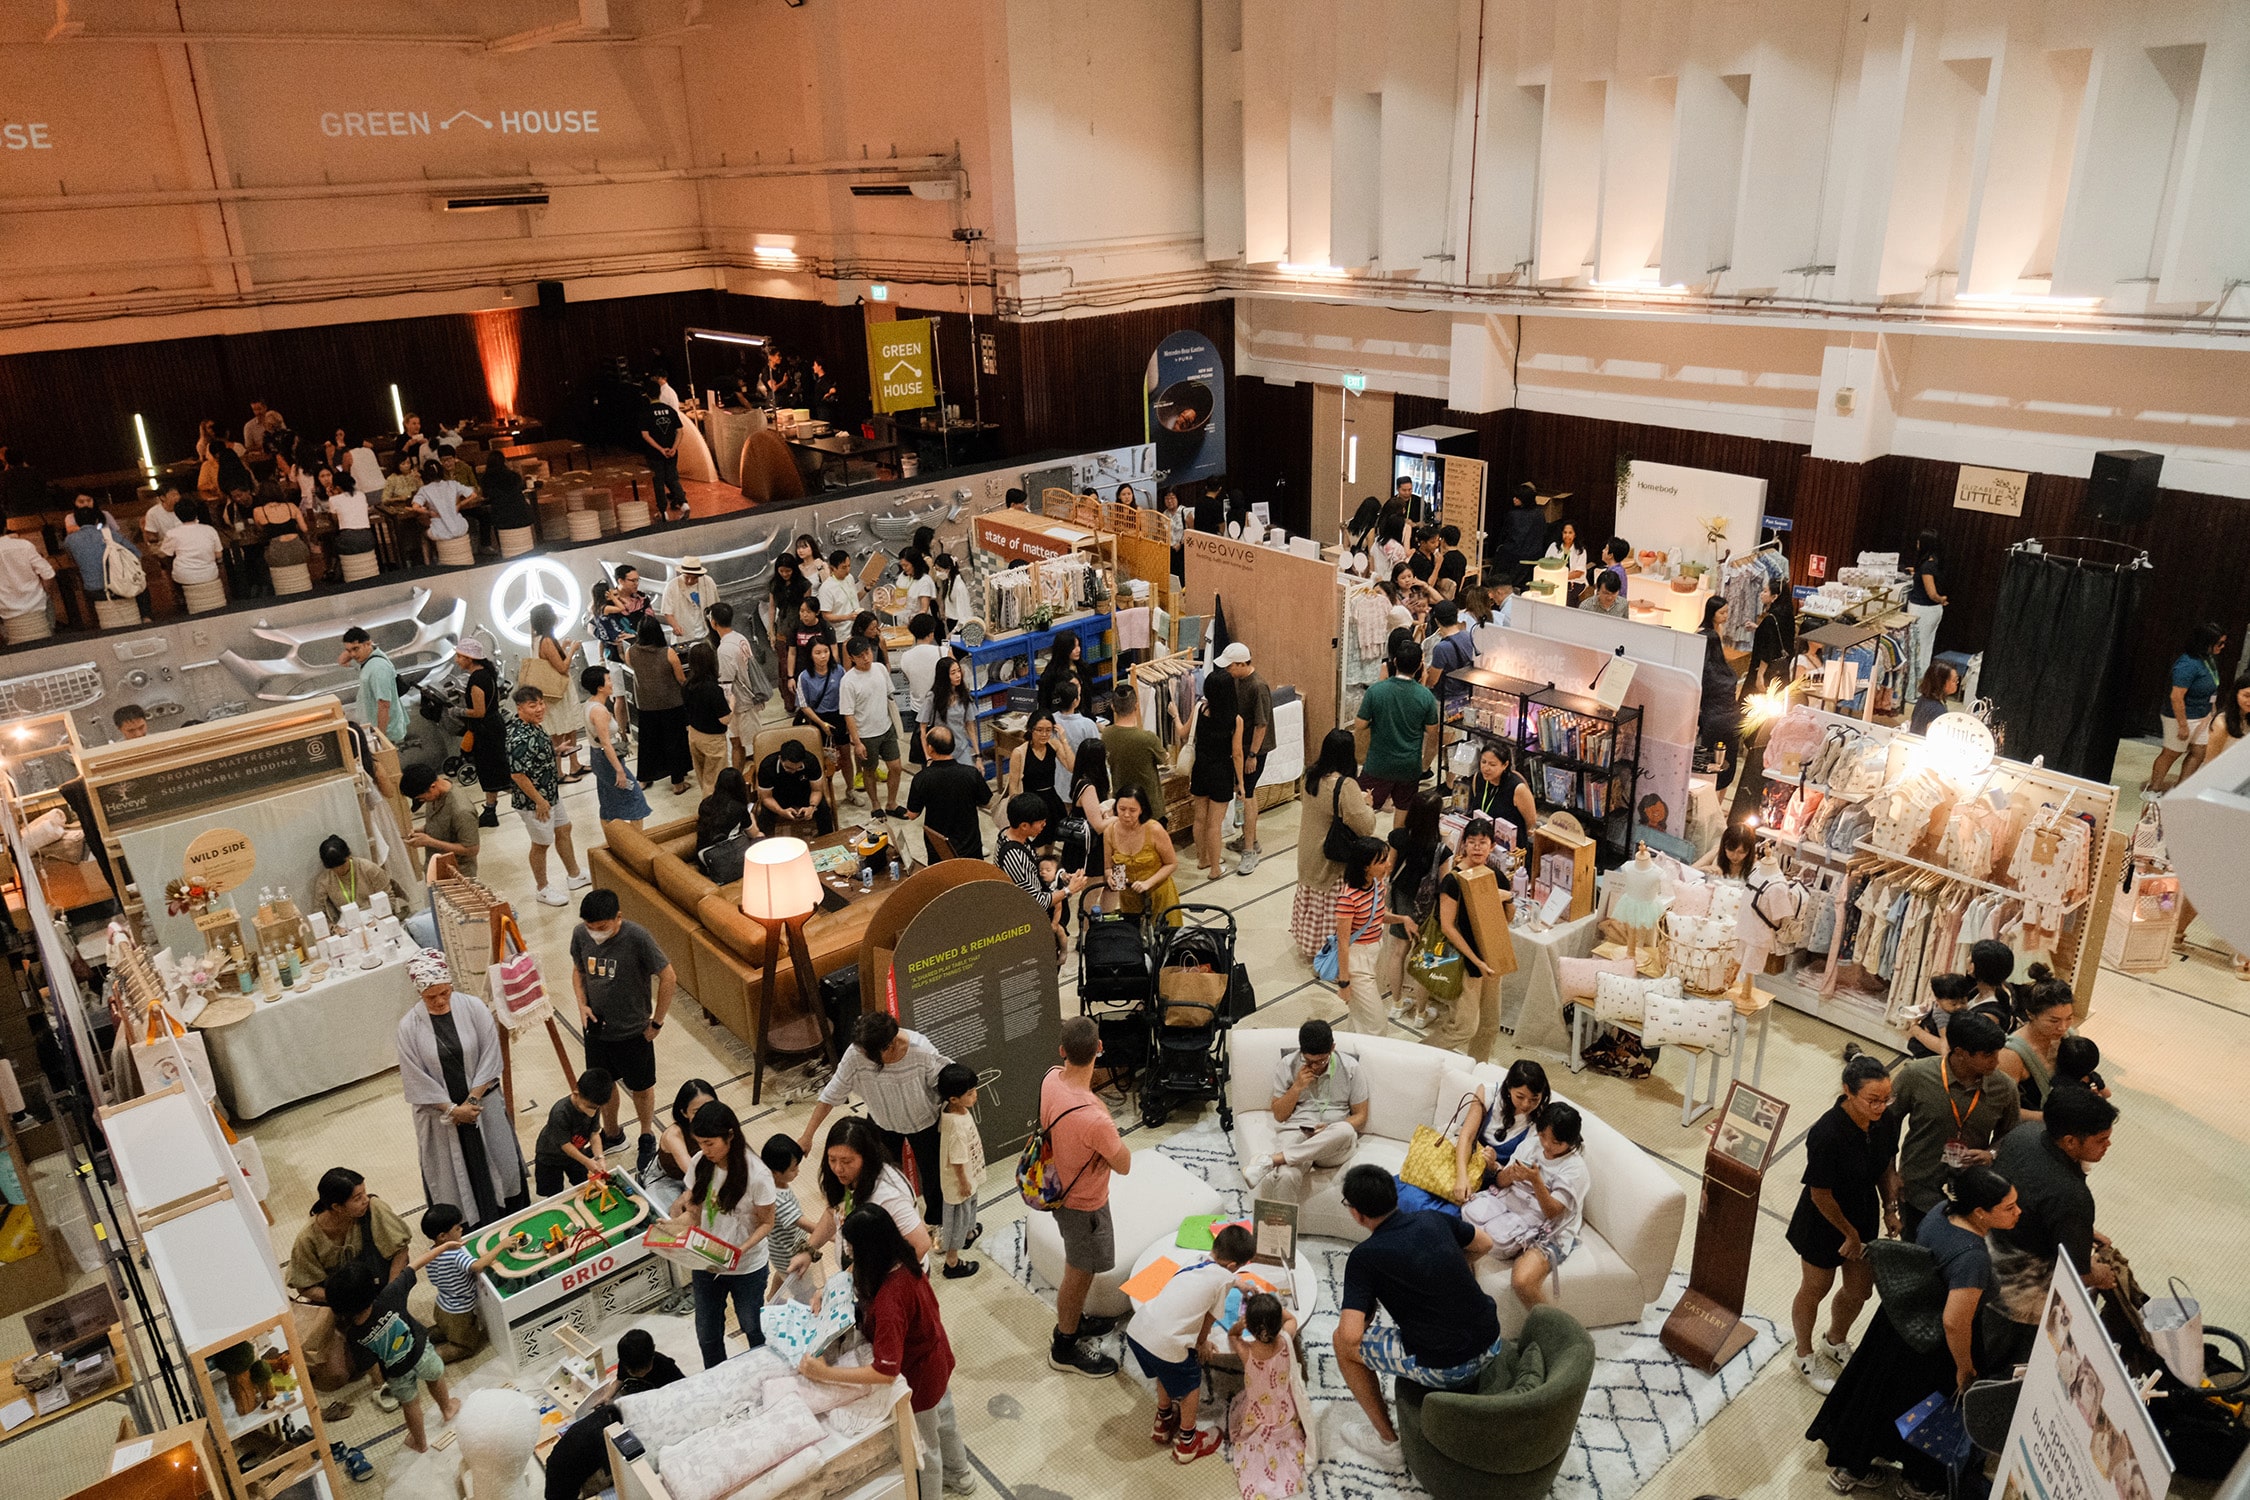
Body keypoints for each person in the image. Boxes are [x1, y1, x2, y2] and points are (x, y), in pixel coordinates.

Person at [1807, 1167, 2019, 1497]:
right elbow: (1954, 1321)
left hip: (1895, 1321)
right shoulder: (1972, 1258)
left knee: (1874, 1396)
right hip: (1932, 1347)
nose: (2018, 1212)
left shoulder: (1940, 1211)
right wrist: (1964, 1368)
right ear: (1980, 1213)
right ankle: (1918, 1483)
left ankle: (1850, 1467)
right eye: (2009, 1207)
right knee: (1928, 1411)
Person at [797, 1207, 976, 1500]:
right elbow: (854, 1273)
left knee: (925, 1448)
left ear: (869, 1251)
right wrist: (827, 1290)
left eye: (853, 1250)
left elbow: (885, 1371)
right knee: (945, 1422)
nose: (850, 1257)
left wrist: (823, 1372)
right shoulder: (902, 1259)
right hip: (936, 1357)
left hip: (919, 1376)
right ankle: (962, 1477)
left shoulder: (891, 1300)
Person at [1332, 1164, 1503, 1459]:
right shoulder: (1432, 1218)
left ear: (1358, 1213)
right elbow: (1485, 1243)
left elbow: (1350, 1336)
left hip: (1447, 1368)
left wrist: (1368, 1310)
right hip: (1492, 1342)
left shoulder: (1364, 1258)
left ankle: (1388, 1443)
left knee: (1339, 1343)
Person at [1786, 1054, 1901, 1394]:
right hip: (1824, 1218)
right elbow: (1820, 1193)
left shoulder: (1886, 1119)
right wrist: (1848, 1234)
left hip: (1862, 1210)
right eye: (1872, 1100)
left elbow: (1885, 1165)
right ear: (1848, 1092)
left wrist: (1890, 1208)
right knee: (1816, 1287)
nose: (1880, 1107)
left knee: (1860, 1290)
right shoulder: (1827, 1133)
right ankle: (1803, 1353)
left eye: (1885, 1099)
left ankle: (1834, 1340)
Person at [1985, 1088, 2119, 1364]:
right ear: (2070, 1141)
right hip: (2021, 1287)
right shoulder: (2071, 1196)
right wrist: (2101, 1275)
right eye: (2101, 1140)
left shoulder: (2024, 1134)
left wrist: (2080, 1229)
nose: (2108, 1145)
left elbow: (2031, 1202)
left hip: (1986, 1248)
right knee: (2011, 1362)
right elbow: (2078, 1271)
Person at [396, 949, 527, 1229]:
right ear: (420, 994)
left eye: (445, 993)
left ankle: (509, 1219)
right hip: (442, 1116)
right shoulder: (409, 1027)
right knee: (451, 1178)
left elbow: (491, 1056)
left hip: (481, 1106)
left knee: (499, 1162)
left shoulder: (473, 1007)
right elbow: (415, 1077)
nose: (441, 1001)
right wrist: (453, 1110)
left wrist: (471, 1101)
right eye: (432, 997)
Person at [1036, 1017, 1132, 1377]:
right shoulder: (1096, 1118)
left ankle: (1074, 1322)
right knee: (1079, 1272)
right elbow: (1123, 1163)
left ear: (1062, 1052)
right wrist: (1104, 1119)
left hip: (1057, 1187)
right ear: (1099, 1050)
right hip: (1083, 1204)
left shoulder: (1050, 1078)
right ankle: (1064, 1345)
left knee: (1082, 1267)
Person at [797, 1013, 950, 1230]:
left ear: (891, 1045)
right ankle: (886, 1220)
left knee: (933, 1176)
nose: (863, 1056)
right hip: (882, 1122)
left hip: (924, 1122)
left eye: (869, 1054)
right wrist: (807, 1136)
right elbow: (830, 1095)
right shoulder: (857, 1053)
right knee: (877, 1175)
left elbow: (945, 1081)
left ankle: (937, 1223)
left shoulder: (921, 1049)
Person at [1128, 1223, 1257, 1465]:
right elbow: (1210, 1317)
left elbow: (1214, 1277)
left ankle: (1163, 1420)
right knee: (1190, 1384)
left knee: (1164, 1369)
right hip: (1166, 1344)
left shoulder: (1194, 1260)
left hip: (1138, 1331)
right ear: (1233, 1267)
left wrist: (1235, 1282)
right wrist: (1202, 1343)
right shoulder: (1223, 1281)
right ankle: (1188, 1442)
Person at [660, 1101, 777, 1367]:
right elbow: (695, 1214)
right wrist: (671, 1229)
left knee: (753, 1327)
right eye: (700, 1143)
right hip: (707, 1261)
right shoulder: (701, 1163)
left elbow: (767, 1223)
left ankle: (763, 1373)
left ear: (730, 1135)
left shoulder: (757, 1175)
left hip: (746, 1268)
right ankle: (716, 1379)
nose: (705, 1150)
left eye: (710, 1143)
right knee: (708, 1334)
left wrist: (741, 1249)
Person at [569, 889, 676, 1174]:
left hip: (633, 1032)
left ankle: (645, 1134)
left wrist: (657, 1021)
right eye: (590, 928)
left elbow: (668, 976)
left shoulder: (637, 937)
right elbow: (578, 971)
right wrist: (581, 1005)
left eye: (602, 928)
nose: (595, 934)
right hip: (597, 1030)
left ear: (618, 917)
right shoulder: (581, 935)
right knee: (604, 1085)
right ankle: (613, 1134)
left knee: (641, 1087)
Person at [1883, 1013, 2020, 1221]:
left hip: (1973, 1197)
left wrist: (1991, 1153)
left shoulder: (2005, 1088)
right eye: (1988, 1055)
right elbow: (1886, 1125)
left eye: (1997, 1053)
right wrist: (1890, 1173)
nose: (1996, 1061)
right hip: (1917, 1188)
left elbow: (2010, 1135)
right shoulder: (1916, 1075)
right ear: (1961, 1053)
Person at [288, 1168, 411, 1399]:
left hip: (379, 1292)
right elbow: (304, 1287)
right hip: (338, 1305)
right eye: (357, 1198)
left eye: (364, 1193)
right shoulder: (308, 1239)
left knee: (399, 1353)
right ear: (336, 1207)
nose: (366, 1200)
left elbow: (401, 1250)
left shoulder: (373, 1209)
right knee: (337, 1377)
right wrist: (346, 1298)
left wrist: (391, 1292)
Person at [1459, 1102, 1590, 1307]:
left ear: (1570, 1142)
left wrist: (1536, 1181)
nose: (1546, 1145)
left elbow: (1553, 1212)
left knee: (1523, 1281)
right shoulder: (1531, 1145)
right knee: (1458, 1237)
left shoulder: (1575, 1169)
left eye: (1555, 1142)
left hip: (1550, 1230)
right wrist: (1510, 1174)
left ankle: (1550, 1333)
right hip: (1510, 1206)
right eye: (1543, 1136)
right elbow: (1501, 1182)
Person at [324, 1258, 459, 1454]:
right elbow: (413, 1267)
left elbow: (367, 1363)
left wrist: (379, 1383)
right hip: (421, 1351)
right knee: (435, 1378)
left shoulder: (354, 1335)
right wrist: (444, 1248)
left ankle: (420, 1443)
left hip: (396, 1372)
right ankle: (447, 1408)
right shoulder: (390, 1296)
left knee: (410, 1405)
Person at [540, 1330, 685, 1500]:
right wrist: (607, 1396)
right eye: (632, 1370)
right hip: (624, 1413)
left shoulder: (666, 1368)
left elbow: (682, 1393)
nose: (635, 1373)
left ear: (652, 1354)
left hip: (652, 1408)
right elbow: (620, 1379)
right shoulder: (627, 1363)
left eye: (641, 1370)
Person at [1252, 1019, 1369, 1204]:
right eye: (1308, 1061)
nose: (1315, 1066)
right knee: (1286, 1175)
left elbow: (1361, 1116)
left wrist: (1331, 1129)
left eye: (1321, 1060)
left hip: (1334, 1142)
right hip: (1298, 1133)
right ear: (1301, 1051)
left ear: (1332, 1048)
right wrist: (1296, 1088)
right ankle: (1281, 1232)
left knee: (1345, 1130)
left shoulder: (1350, 1067)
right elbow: (1279, 1115)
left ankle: (1274, 1160)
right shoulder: (1287, 1065)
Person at [1291, 730, 1376, 962]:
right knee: (1332, 906)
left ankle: (1309, 943)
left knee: (1311, 899)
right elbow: (1364, 825)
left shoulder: (1309, 775)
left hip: (1308, 852)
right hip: (1331, 858)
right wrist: (1367, 804)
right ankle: (1329, 953)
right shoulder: (1345, 785)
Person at [1427, 818, 1507, 1059]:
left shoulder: (1497, 876)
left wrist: (1508, 898)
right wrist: (1476, 960)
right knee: (1463, 1028)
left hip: (1492, 959)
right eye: (1472, 842)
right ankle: (1418, 1054)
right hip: (1464, 961)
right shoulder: (1453, 880)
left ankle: (1477, 1069)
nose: (1477, 848)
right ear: (1463, 846)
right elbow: (1448, 926)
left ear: (1492, 845)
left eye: (1483, 842)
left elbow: (1505, 921)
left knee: (1490, 1025)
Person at [807, 1117, 933, 1261]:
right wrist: (809, 1250)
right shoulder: (849, 1179)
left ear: (867, 1157)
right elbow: (834, 1213)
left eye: (846, 1161)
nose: (838, 1168)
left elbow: (921, 1244)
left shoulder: (888, 1195)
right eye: (832, 1159)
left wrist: (876, 1277)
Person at [507, 685, 586, 905]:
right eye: (533, 705)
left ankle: (575, 874)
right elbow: (518, 774)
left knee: (564, 829)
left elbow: (536, 755)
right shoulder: (518, 738)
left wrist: (555, 751)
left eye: (541, 703)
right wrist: (539, 801)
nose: (540, 708)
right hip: (534, 801)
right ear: (520, 708)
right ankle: (542, 889)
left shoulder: (535, 726)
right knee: (541, 843)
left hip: (550, 793)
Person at [1228, 1291, 1309, 1499]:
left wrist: (1240, 1325)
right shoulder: (1285, 1339)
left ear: (1251, 1327)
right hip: (1284, 1408)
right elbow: (1292, 1318)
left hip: (1258, 1413)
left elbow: (1232, 1336)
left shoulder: (1247, 1352)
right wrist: (1273, 1310)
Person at [412, 1204, 513, 1362]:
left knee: (444, 1329)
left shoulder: (431, 1252)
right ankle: (426, 1360)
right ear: (443, 1236)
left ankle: (422, 1339)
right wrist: (501, 1245)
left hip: (441, 1306)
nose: (461, 1229)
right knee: (466, 1346)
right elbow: (478, 1266)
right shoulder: (455, 1255)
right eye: (457, 1228)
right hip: (459, 1313)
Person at [1449, 1059, 1551, 1204]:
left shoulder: (1539, 1123)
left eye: (1535, 1099)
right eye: (1520, 1097)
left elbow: (1514, 1172)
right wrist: (1461, 1176)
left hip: (1490, 1184)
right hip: (1460, 1164)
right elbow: (1467, 1136)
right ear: (1509, 1088)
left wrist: (1494, 1165)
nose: (1526, 1104)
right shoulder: (1489, 1093)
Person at [1356, 642, 1441, 815]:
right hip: (1409, 766)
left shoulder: (1375, 691)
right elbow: (1433, 732)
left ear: (1394, 661)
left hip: (1378, 763)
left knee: (1362, 810)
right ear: (1419, 665)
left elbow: (1360, 725)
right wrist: (1424, 764)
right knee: (1403, 813)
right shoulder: (1426, 696)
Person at [2151, 620, 2226, 794]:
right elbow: (2176, 697)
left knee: (2199, 752)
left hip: (2203, 714)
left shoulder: (2208, 659)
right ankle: (2153, 788)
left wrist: (2212, 711)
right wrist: (2183, 724)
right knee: (2172, 753)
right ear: (2206, 643)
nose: (2223, 646)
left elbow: (2211, 687)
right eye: (2219, 643)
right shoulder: (2187, 665)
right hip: (2181, 717)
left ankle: (2181, 789)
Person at [1333, 836, 1399, 1035]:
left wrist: (1402, 920)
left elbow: (1378, 916)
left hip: (1375, 952)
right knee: (1377, 1024)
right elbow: (1343, 943)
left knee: (1360, 1017)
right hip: (1357, 961)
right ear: (1365, 867)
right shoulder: (1348, 897)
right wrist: (1344, 983)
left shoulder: (1378, 885)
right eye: (1380, 861)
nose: (1388, 864)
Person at [1218, 643, 1274, 875]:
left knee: (1247, 794)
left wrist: (1252, 755)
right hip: (1242, 748)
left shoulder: (1258, 687)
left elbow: (1262, 724)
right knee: (1244, 793)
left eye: (1231, 666)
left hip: (1254, 750)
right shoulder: (1239, 681)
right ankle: (1249, 838)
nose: (1228, 671)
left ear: (1242, 664)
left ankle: (1249, 850)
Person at [1995, 972, 2078, 1117]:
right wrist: (2049, 1119)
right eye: (2054, 1021)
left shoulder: (2069, 1036)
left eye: (2069, 1018)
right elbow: (2001, 1109)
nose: (2063, 1027)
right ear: (2030, 1014)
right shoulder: (2011, 1055)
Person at [519, 603, 586, 781]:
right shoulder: (547, 641)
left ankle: (574, 765)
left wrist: (562, 647)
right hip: (558, 692)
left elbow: (549, 662)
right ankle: (560, 772)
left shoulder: (537, 639)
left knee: (567, 727)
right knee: (559, 731)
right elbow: (562, 667)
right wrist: (572, 649)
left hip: (554, 690)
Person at [627, 615, 691, 796]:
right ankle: (678, 782)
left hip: (646, 705)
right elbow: (680, 679)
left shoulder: (630, 652)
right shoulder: (668, 653)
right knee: (675, 742)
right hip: (671, 704)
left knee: (648, 743)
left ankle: (645, 778)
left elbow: (633, 667)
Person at [844, 635, 907, 817]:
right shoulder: (848, 681)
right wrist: (857, 742)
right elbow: (848, 714)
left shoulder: (880, 669)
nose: (866, 658)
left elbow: (889, 697)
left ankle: (892, 803)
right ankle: (875, 805)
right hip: (866, 734)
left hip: (887, 728)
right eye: (860, 655)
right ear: (852, 658)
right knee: (869, 770)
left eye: (868, 652)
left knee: (895, 767)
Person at [904, 725, 989, 859]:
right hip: (970, 847)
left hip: (940, 848)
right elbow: (987, 802)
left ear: (930, 748)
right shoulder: (971, 773)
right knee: (974, 878)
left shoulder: (922, 778)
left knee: (942, 879)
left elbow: (912, 814)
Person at [582, 665, 652, 827]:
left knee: (608, 803)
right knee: (635, 799)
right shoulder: (599, 711)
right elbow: (606, 744)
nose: (612, 683)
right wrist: (619, 771)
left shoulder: (589, 704)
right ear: (600, 687)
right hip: (608, 761)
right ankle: (636, 843)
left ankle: (613, 839)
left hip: (598, 758)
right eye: (608, 680)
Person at [1189, 670, 1242, 879]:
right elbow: (1237, 754)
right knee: (1215, 823)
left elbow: (1185, 733)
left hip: (1200, 768)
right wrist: (1241, 783)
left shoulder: (1200, 709)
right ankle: (1215, 868)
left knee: (1200, 818)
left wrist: (1175, 715)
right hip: (1221, 771)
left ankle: (1202, 859)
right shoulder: (1235, 720)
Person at [533, 1068, 616, 1197]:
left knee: (583, 1182)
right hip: (550, 1157)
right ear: (576, 1093)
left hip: (576, 1154)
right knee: (552, 1193)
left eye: (595, 1108)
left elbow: (594, 1134)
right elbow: (565, 1145)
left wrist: (599, 1157)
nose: (592, 1113)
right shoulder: (560, 1112)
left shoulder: (594, 1104)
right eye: (588, 1107)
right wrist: (587, 1161)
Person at [935, 1063, 984, 1280]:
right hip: (959, 1180)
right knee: (958, 1217)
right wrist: (963, 1181)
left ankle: (969, 1233)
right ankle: (952, 1261)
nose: (976, 1095)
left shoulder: (956, 1111)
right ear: (954, 1099)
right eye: (970, 1093)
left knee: (971, 1204)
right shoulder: (954, 1125)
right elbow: (956, 1159)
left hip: (969, 1172)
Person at [1103, 788, 1180, 924]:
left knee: (1167, 935)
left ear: (1141, 810)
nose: (1126, 815)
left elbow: (1171, 863)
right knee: (1134, 937)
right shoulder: (1109, 832)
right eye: (1122, 809)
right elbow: (1109, 867)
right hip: (1129, 896)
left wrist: (1148, 883)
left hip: (1159, 891)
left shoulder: (1154, 829)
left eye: (1132, 810)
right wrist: (1112, 878)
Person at [455, 638, 508, 826]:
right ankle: (490, 810)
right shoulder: (488, 674)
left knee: (494, 770)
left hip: (486, 730)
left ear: (470, 658)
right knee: (494, 771)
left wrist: (458, 711)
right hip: (494, 725)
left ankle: (532, 799)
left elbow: (479, 711)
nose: (457, 660)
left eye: (460, 656)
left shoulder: (476, 680)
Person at [644, 1079, 716, 1210]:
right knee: (663, 1217)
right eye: (696, 1111)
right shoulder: (674, 1134)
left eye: (709, 1107)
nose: (705, 1115)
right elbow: (692, 1172)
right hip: (667, 1178)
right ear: (684, 1112)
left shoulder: (721, 1123)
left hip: (703, 1176)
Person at [794, 635, 851, 797]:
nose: (823, 656)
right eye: (817, 652)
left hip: (839, 716)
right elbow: (804, 705)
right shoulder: (804, 677)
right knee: (820, 757)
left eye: (825, 651)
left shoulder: (839, 671)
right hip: (817, 719)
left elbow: (847, 695)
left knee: (846, 755)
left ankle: (850, 789)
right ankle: (823, 792)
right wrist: (821, 723)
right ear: (810, 655)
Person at [311, 833, 410, 925]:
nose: (339, 870)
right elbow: (318, 913)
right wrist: (333, 928)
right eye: (333, 868)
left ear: (349, 856)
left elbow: (389, 898)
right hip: (347, 923)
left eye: (342, 865)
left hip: (375, 915)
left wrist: (378, 920)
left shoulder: (368, 868)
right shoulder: (324, 881)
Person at [1006, 711, 1072, 840]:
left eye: (1048, 730)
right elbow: (1013, 787)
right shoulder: (1020, 752)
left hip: (1051, 800)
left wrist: (1064, 740)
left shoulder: (1054, 745)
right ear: (1031, 730)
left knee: (1051, 841)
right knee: (1036, 846)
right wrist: (1019, 813)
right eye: (1040, 730)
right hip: (1031, 803)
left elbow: (1072, 767)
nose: (1044, 734)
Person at [681, 640, 733, 796]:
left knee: (703, 777)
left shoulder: (686, 685)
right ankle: (712, 814)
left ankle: (707, 807)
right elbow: (725, 719)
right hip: (712, 740)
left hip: (694, 734)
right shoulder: (713, 689)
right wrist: (732, 703)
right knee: (714, 781)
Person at [62, 502, 139, 605]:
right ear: (96, 520)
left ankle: (97, 619)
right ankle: (146, 618)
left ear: (77, 522)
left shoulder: (69, 540)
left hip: (92, 590)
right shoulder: (109, 534)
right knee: (141, 587)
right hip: (118, 585)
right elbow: (136, 552)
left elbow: (71, 557)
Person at [755, 737, 835, 835]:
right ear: (780, 759)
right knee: (764, 814)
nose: (793, 771)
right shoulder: (767, 766)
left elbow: (817, 791)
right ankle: (765, 844)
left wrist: (812, 807)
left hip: (805, 793)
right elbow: (766, 797)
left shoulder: (811, 761)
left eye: (798, 768)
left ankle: (827, 841)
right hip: (779, 796)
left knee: (823, 808)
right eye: (788, 768)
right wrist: (781, 811)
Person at [1906, 529, 1949, 699]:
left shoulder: (1926, 567)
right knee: (1925, 650)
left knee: (1917, 651)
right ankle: (1923, 689)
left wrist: (1940, 599)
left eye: (1919, 541)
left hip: (1922, 610)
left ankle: (1914, 692)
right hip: (1932, 612)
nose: (1917, 544)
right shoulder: (1934, 562)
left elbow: (1931, 593)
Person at [640, 377, 691, 522]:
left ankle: (663, 512)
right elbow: (680, 431)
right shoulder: (670, 411)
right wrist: (673, 448)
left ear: (647, 395)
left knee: (659, 480)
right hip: (672, 453)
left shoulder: (646, 413)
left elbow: (645, 435)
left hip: (655, 454)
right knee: (673, 478)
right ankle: (684, 504)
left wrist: (660, 449)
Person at [898, 611, 945, 757]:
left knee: (925, 748)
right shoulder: (942, 652)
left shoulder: (905, 657)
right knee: (943, 748)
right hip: (941, 707)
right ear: (931, 633)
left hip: (918, 708)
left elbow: (907, 678)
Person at [1904, 972, 1976, 1058]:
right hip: (1926, 1053)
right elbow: (1946, 1041)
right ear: (1938, 1001)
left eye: (1963, 1002)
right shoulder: (1942, 1015)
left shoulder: (1949, 1008)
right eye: (1953, 1004)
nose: (1959, 1006)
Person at [411, 459, 472, 561]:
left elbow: (415, 507)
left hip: (440, 531)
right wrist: (459, 505)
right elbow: (472, 495)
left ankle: (429, 562)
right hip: (460, 526)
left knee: (423, 534)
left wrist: (429, 512)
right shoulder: (453, 484)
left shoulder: (425, 490)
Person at [159, 496, 225, 590]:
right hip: (210, 573)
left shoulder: (172, 533)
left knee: (170, 563)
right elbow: (218, 555)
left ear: (177, 515)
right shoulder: (209, 530)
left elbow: (164, 554)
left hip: (183, 575)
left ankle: (180, 598)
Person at [926, 654, 978, 767]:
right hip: (941, 751)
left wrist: (978, 756)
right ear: (944, 676)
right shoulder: (933, 697)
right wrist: (928, 757)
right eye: (953, 673)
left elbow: (970, 726)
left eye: (959, 671)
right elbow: (923, 728)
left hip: (961, 748)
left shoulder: (964, 696)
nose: (958, 676)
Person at [696, 765, 751, 858]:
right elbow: (753, 832)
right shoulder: (738, 808)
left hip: (702, 854)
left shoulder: (705, 803)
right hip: (723, 857)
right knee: (759, 839)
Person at [660, 557, 716, 642]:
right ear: (681, 573)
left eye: (694, 578)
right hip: (683, 638)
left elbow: (715, 606)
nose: (689, 581)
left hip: (706, 635)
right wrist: (675, 626)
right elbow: (667, 612)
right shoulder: (671, 587)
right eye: (687, 577)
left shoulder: (708, 582)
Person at [1910, 660, 1959, 735]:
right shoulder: (1937, 710)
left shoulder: (1923, 698)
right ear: (1942, 683)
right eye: (1954, 680)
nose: (1957, 683)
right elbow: (1933, 738)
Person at [818, 548, 861, 626]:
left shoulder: (849, 578)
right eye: (844, 567)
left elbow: (854, 599)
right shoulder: (826, 588)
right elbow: (826, 616)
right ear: (832, 568)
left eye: (849, 566)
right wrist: (847, 617)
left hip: (856, 627)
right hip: (841, 632)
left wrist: (866, 589)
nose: (848, 570)